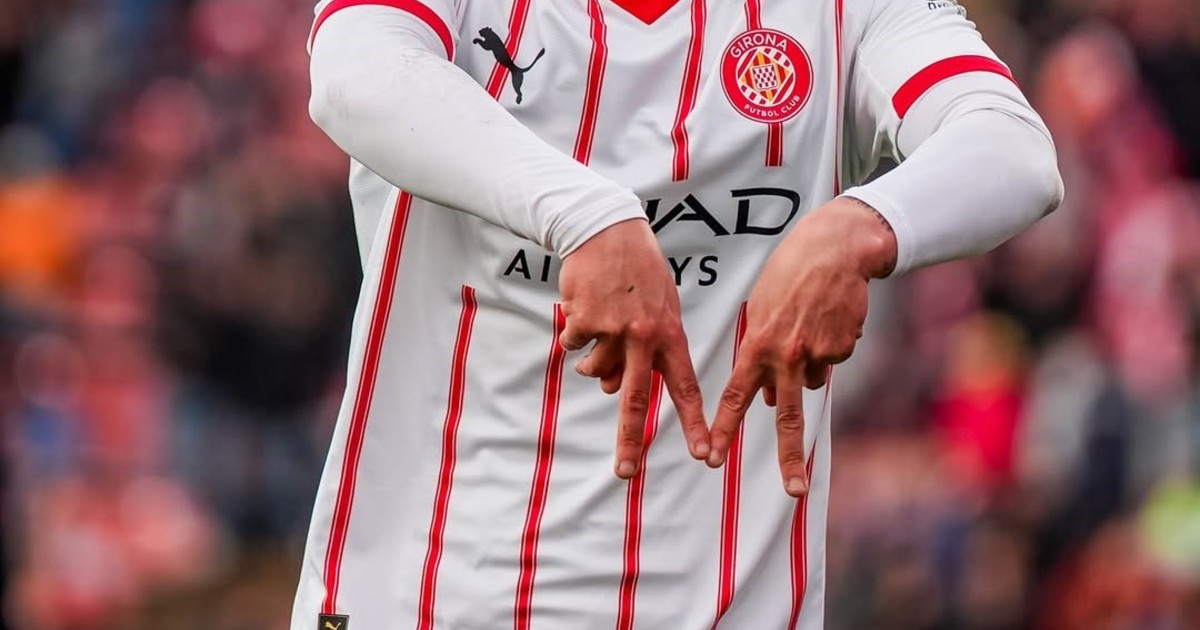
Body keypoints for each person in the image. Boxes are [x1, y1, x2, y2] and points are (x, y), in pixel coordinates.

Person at [294, 0, 1063, 627]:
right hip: (433, 601)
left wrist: (862, 226)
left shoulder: (840, 12)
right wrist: (585, 216)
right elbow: (354, 71)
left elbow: (1011, 146)